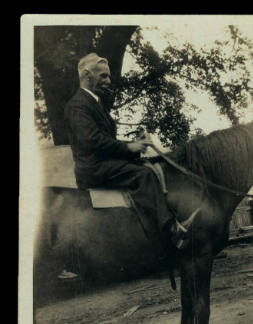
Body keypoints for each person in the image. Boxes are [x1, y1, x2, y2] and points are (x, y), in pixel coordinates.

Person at [64, 53, 192, 248]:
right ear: (87, 75)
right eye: (103, 76)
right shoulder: (77, 105)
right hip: (93, 168)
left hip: (104, 163)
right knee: (144, 175)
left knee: (152, 164)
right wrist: (128, 147)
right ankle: (169, 231)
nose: (109, 80)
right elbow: (92, 141)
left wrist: (135, 144)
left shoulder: (95, 103)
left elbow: (106, 140)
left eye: (108, 76)